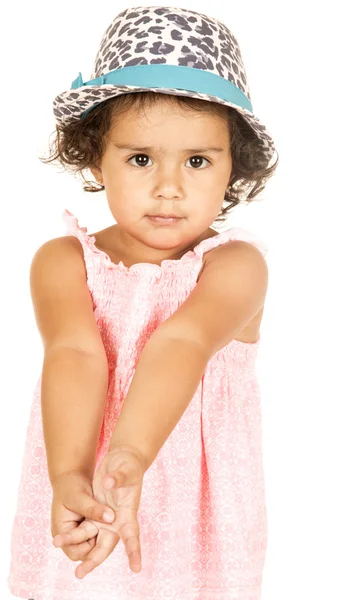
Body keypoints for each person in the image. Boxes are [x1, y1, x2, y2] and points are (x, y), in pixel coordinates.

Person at [7, 6, 279, 600]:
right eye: (140, 159)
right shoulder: (64, 261)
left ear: (234, 167)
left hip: (196, 510)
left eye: (198, 161)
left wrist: (130, 454)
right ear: (94, 158)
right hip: (82, 476)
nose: (169, 186)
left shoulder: (235, 267)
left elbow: (179, 342)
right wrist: (70, 477)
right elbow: (76, 353)